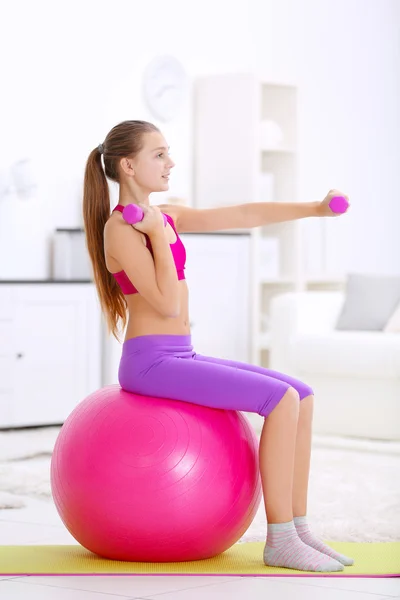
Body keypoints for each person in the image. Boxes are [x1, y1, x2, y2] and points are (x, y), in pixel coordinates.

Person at [83, 119, 353, 573]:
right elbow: (167, 303)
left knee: (301, 396)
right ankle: (280, 539)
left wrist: (314, 208)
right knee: (279, 400)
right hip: (150, 363)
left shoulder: (162, 215)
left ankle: (300, 529)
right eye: (159, 154)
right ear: (128, 166)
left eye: (168, 153)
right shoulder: (120, 231)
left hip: (179, 354)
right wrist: (159, 236)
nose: (171, 162)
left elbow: (243, 214)